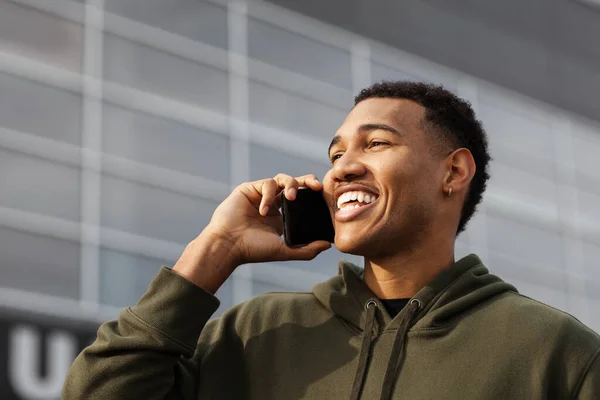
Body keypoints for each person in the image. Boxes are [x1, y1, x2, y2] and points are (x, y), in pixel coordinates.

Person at [62, 81, 600, 399]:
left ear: (453, 172)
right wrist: (217, 248)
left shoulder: (554, 352)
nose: (343, 169)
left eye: (377, 143)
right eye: (336, 154)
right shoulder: (253, 333)